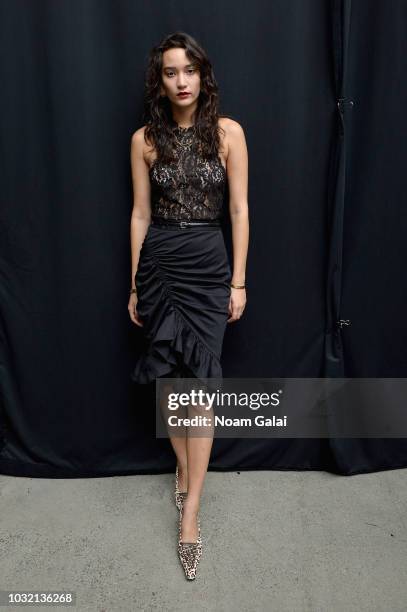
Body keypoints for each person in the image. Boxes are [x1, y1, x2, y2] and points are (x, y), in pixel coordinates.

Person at [128, 31, 249, 580]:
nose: (181, 81)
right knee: (173, 383)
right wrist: (135, 283)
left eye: (190, 71)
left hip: (206, 263)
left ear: (204, 75)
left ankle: (191, 512)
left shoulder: (228, 133)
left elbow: (241, 211)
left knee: (200, 386)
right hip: (161, 265)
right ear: (161, 80)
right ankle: (183, 470)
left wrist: (238, 282)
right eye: (171, 72)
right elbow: (139, 216)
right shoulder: (144, 140)